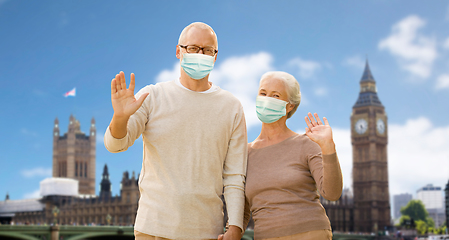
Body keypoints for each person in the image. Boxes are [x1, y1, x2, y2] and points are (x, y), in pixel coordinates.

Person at [104, 22, 247, 240]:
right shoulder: (152, 96)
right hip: (153, 229)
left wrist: (235, 227)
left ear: (215, 56)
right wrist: (120, 117)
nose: (200, 54)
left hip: (207, 231)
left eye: (207, 50)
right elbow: (115, 145)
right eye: (193, 48)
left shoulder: (232, 107)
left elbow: (235, 175)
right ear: (178, 51)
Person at [221, 71, 343, 240]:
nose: (266, 99)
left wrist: (328, 148)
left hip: (310, 234)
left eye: (275, 95)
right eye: (263, 93)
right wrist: (232, 231)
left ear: (289, 106)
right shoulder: (244, 154)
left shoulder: (306, 144)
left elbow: (332, 193)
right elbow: (242, 209)